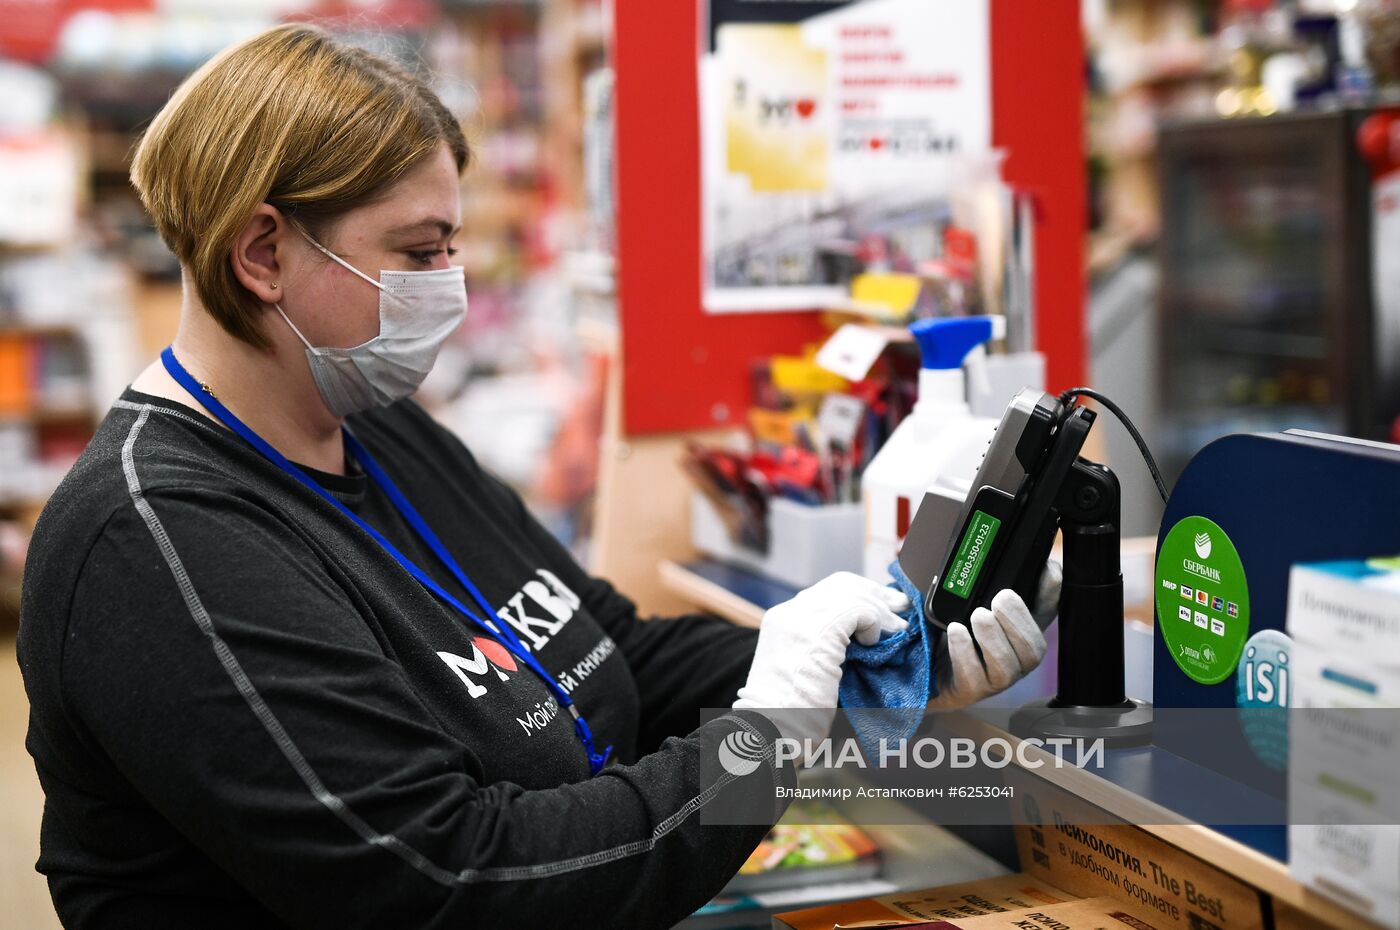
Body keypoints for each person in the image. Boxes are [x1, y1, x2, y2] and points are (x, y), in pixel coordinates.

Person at [17, 23, 1053, 930]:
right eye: (419, 252)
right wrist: (766, 742)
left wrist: (862, 661)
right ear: (261, 253)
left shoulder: (376, 426)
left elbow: (607, 651)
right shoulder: (158, 539)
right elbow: (453, 882)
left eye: (451, 245)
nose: (450, 287)